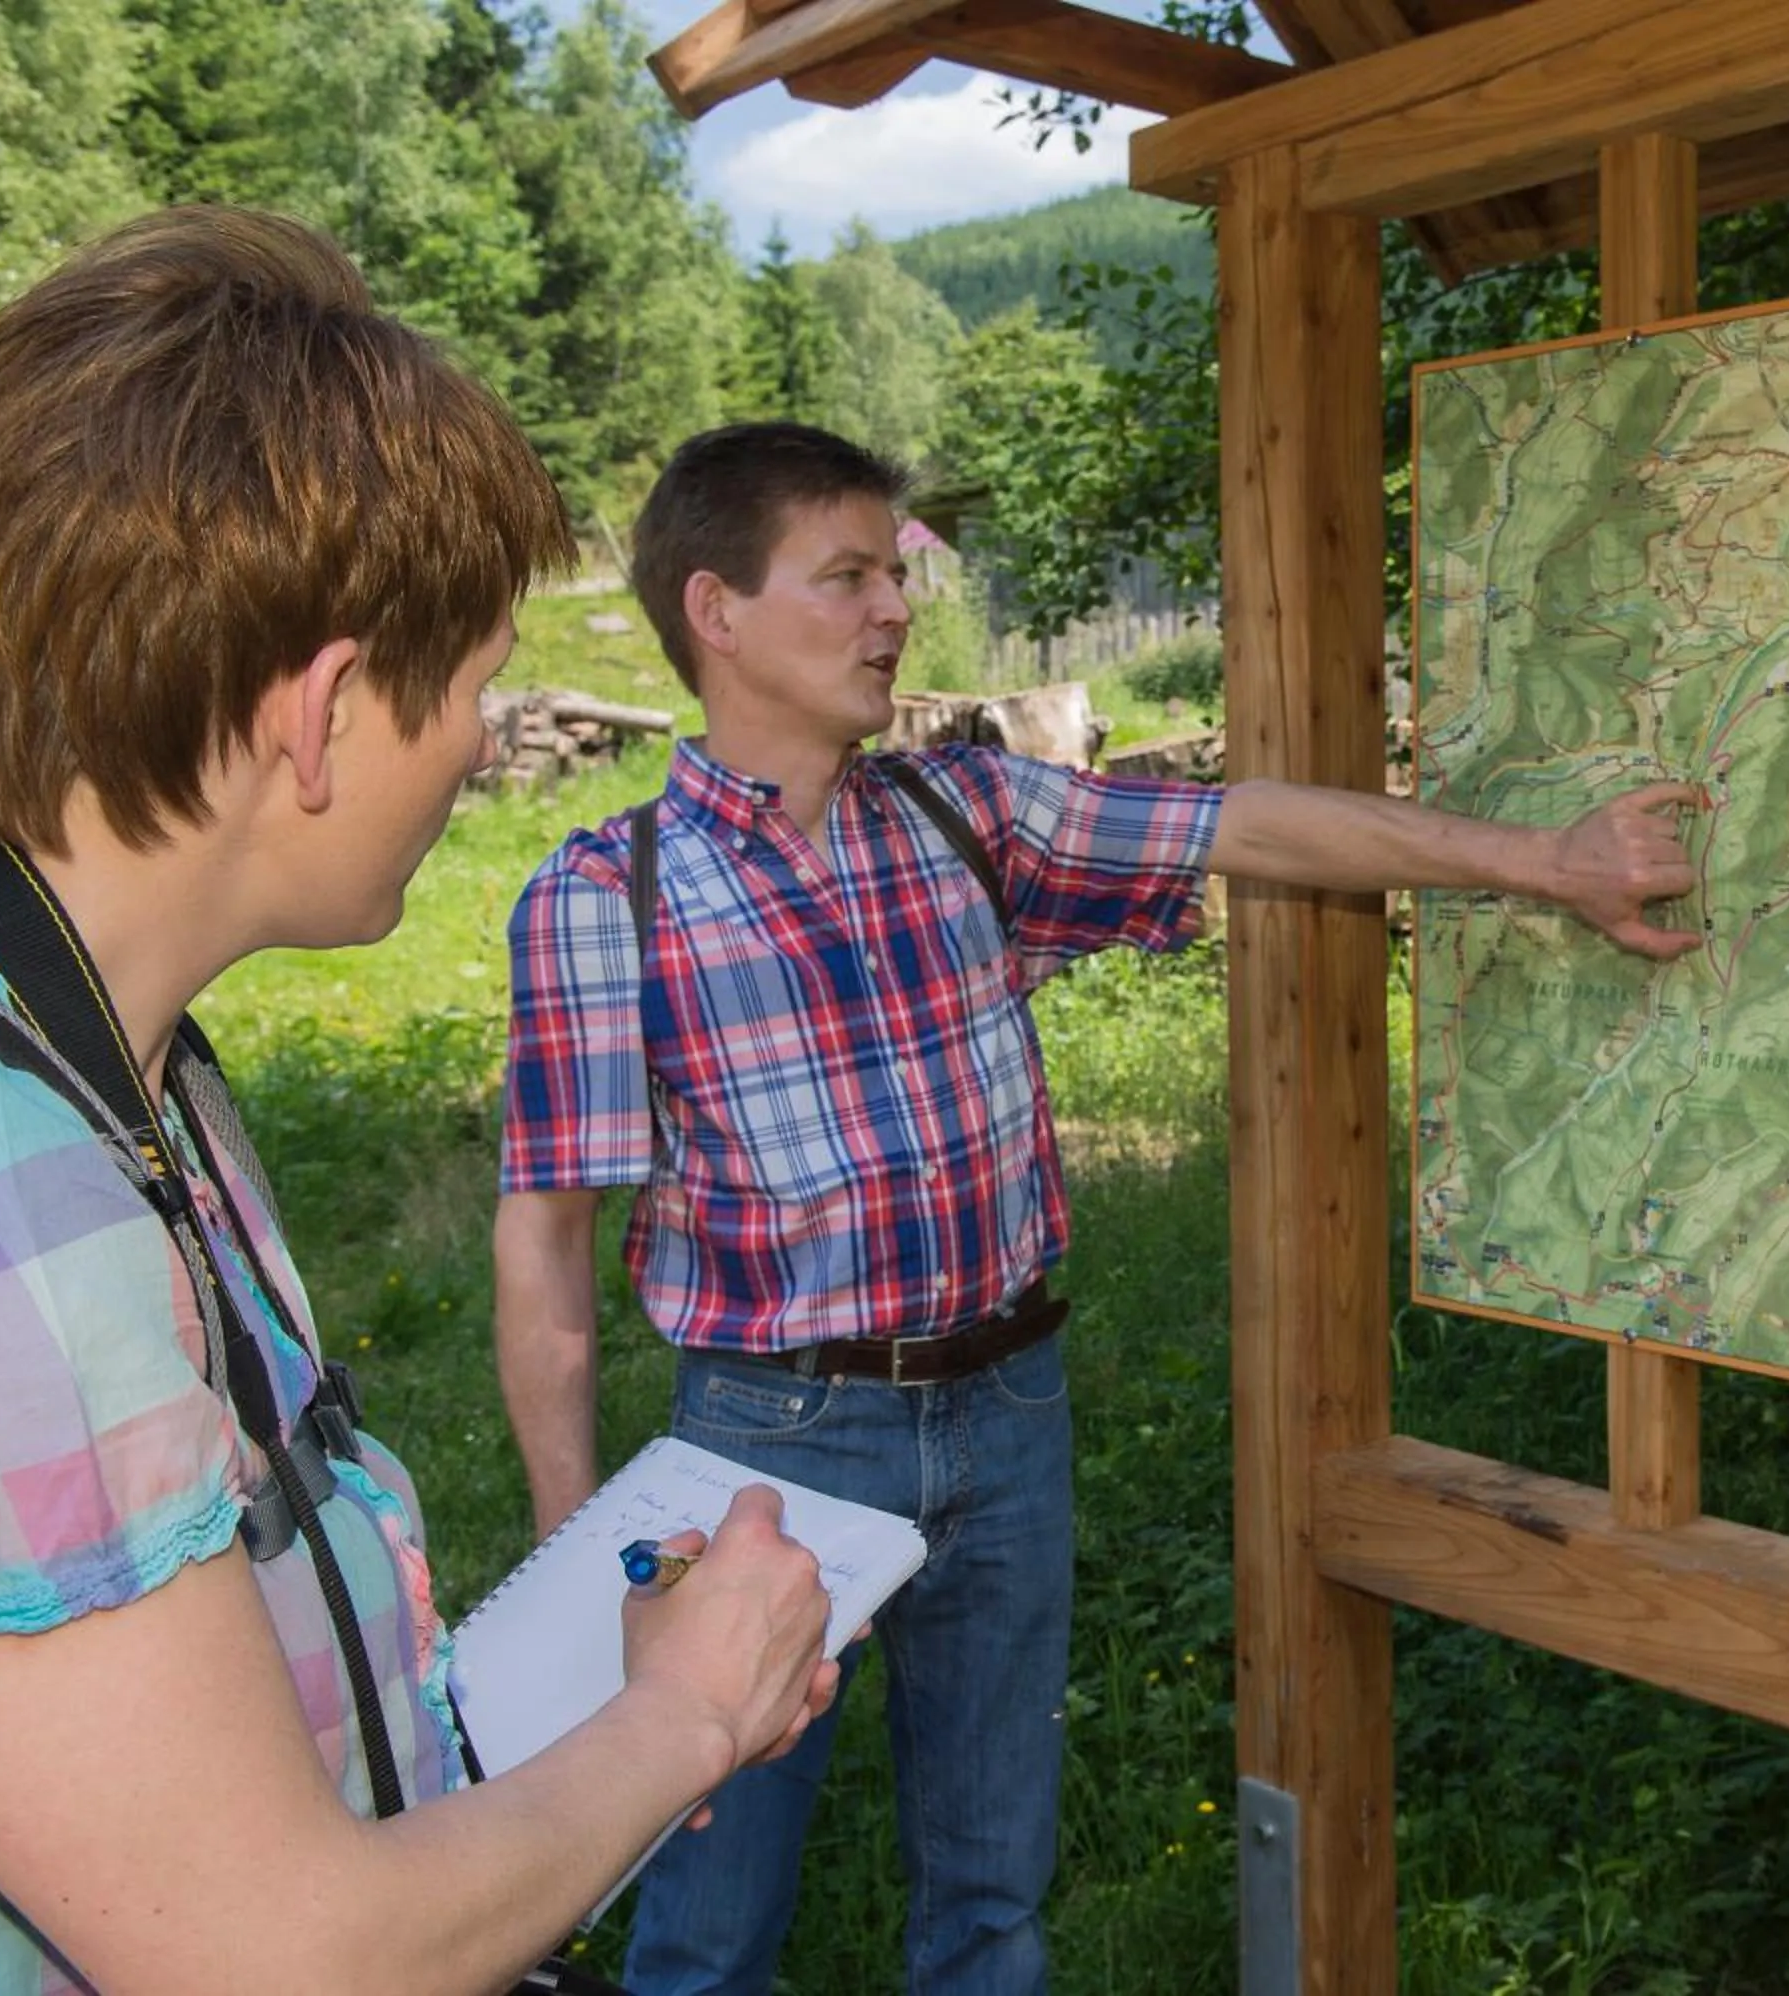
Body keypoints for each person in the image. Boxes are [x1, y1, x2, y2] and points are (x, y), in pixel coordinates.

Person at [490, 421, 1698, 1996]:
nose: (893, 609)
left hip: (1011, 1412)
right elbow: (546, 1251)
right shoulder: (610, 896)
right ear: (715, 610)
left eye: (892, 574)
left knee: (994, 1903)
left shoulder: (967, 813)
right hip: (767, 1449)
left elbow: (1248, 825)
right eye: (845, 577)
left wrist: (1548, 861)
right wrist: (586, 1553)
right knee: (711, 1928)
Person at [0, 210, 845, 1996]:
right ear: (319, 713)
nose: (477, 744)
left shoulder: (96, 1056)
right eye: (469, 687)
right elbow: (285, 1960)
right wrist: (690, 1713)